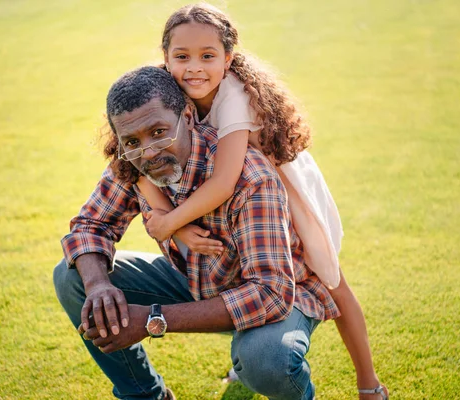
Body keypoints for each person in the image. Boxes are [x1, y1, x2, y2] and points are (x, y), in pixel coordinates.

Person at [135, 4, 388, 399]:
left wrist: (167, 224)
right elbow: (137, 170)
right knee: (242, 272)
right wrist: (178, 225)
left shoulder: (234, 97)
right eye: (182, 57)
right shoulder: (163, 90)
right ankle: (249, 356)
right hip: (238, 203)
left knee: (329, 276)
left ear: (229, 58)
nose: (194, 68)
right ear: (166, 58)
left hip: (280, 187)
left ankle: (370, 384)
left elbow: (223, 181)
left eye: (208, 56)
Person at [54, 65, 340, 400]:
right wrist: (99, 285)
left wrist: (151, 319)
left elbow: (270, 294)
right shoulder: (133, 162)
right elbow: (90, 226)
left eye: (159, 132)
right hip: (196, 282)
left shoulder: (249, 177)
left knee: (267, 359)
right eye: (132, 141)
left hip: (281, 294)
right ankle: (146, 396)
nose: (148, 152)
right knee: (72, 277)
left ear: (187, 116)